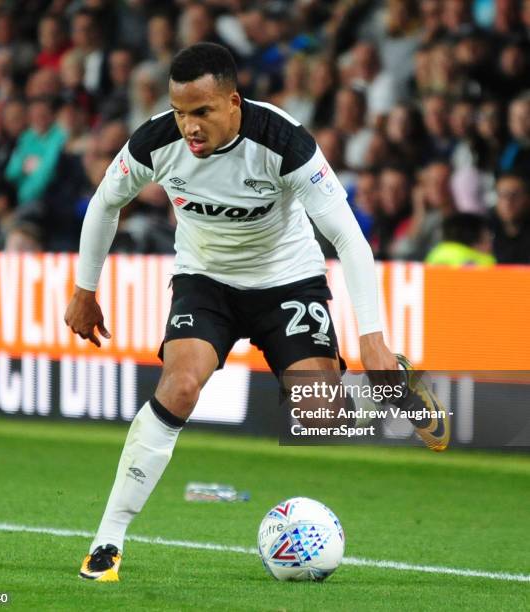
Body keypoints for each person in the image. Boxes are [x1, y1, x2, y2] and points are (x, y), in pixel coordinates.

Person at [64, 43, 450, 582]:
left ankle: (397, 381)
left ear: (233, 102)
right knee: (179, 386)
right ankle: (108, 540)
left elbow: (348, 237)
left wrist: (373, 337)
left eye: (202, 112)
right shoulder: (154, 143)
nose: (189, 127)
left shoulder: (283, 141)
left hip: (286, 280)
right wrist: (85, 289)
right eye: (179, 112)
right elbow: (105, 202)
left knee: (323, 415)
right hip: (206, 280)